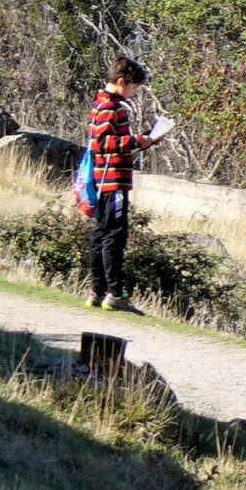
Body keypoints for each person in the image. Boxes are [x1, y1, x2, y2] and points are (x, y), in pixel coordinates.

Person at [87, 55, 163, 310]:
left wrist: (142, 141)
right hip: (113, 182)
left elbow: (113, 141)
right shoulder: (112, 107)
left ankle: (96, 291)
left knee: (102, 233)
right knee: (114, 237)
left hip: (106, 180)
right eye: (134, 87)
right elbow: (102, 143)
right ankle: (114, 293)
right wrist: (134, 142)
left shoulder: (102, 104)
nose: (135, 92)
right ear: (121, 82)